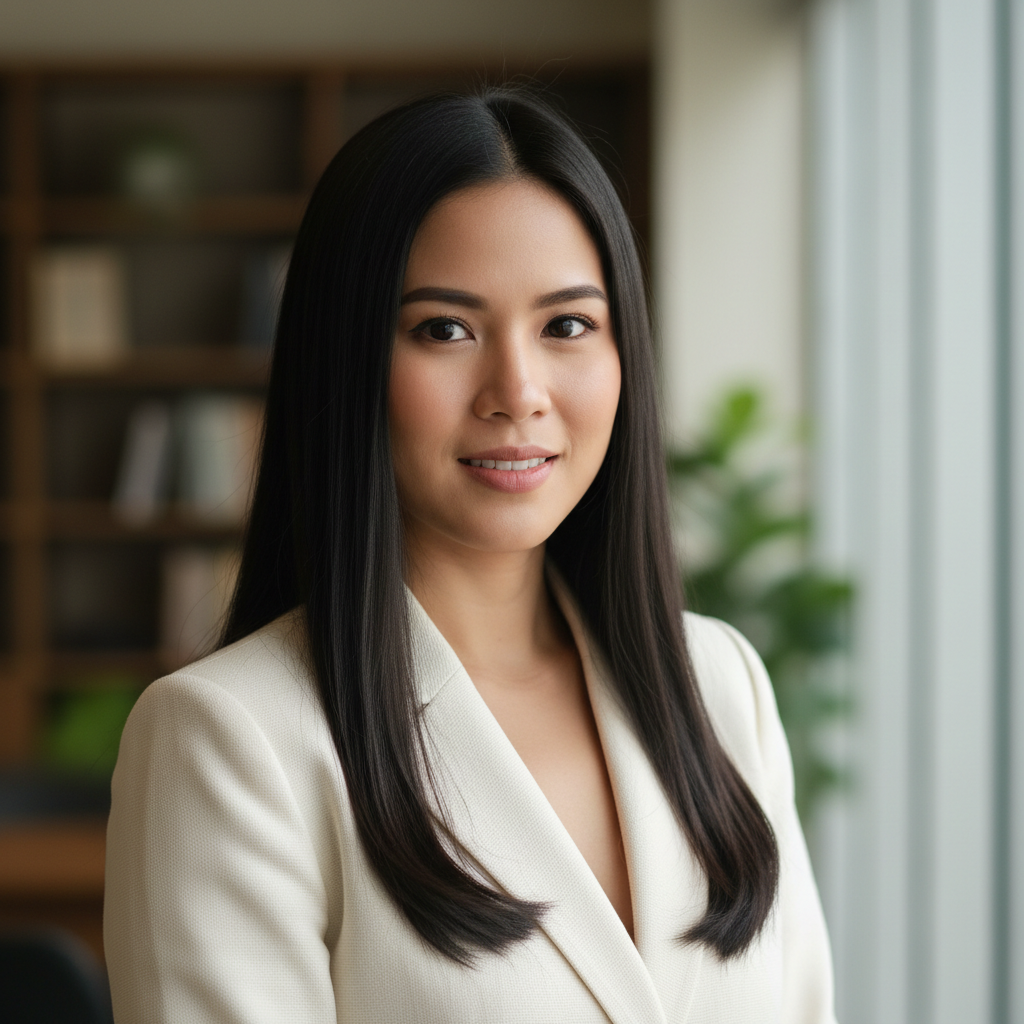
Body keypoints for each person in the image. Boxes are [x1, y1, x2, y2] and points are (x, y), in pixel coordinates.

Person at [104, 89, 837, 1023]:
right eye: (442, 329)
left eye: (567, 325)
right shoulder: (230, 739)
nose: (517, 392)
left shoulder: (719, 683)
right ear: (348, 360)